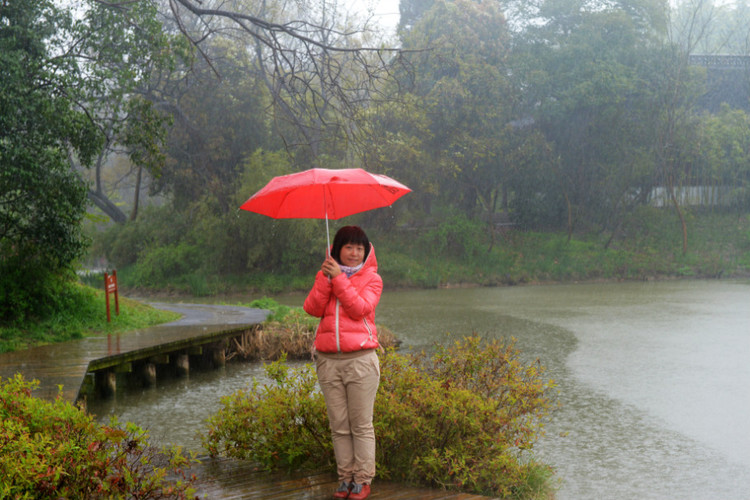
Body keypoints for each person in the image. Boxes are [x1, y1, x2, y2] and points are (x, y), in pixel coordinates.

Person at [303, 226, 382, 500]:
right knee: (339, 426)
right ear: (337, 249)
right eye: (349, 247)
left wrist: (338, 279)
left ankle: (362, 480)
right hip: (328, 361)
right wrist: (326, 280)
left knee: (361, 425)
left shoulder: (373, 279)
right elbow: (312, 309)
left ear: (366, 251)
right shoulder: (324, 275)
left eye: (360, 248)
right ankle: (345, 480)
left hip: (360, 361)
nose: (354, 252)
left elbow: (359, 308)